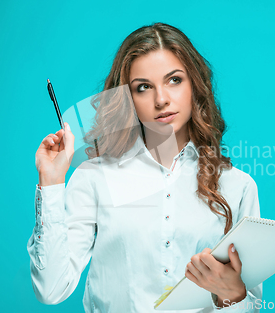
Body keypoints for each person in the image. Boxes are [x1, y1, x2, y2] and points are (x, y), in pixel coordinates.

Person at [27, 22, 262, 313]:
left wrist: (233, 296)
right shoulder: (94, 178)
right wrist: (50, 183)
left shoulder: (237, 186)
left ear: (195, 85)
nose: (161, 99)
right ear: (128, 99)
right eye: (143, 87)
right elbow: (50, 289)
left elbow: (250, 305)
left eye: (174, 80)